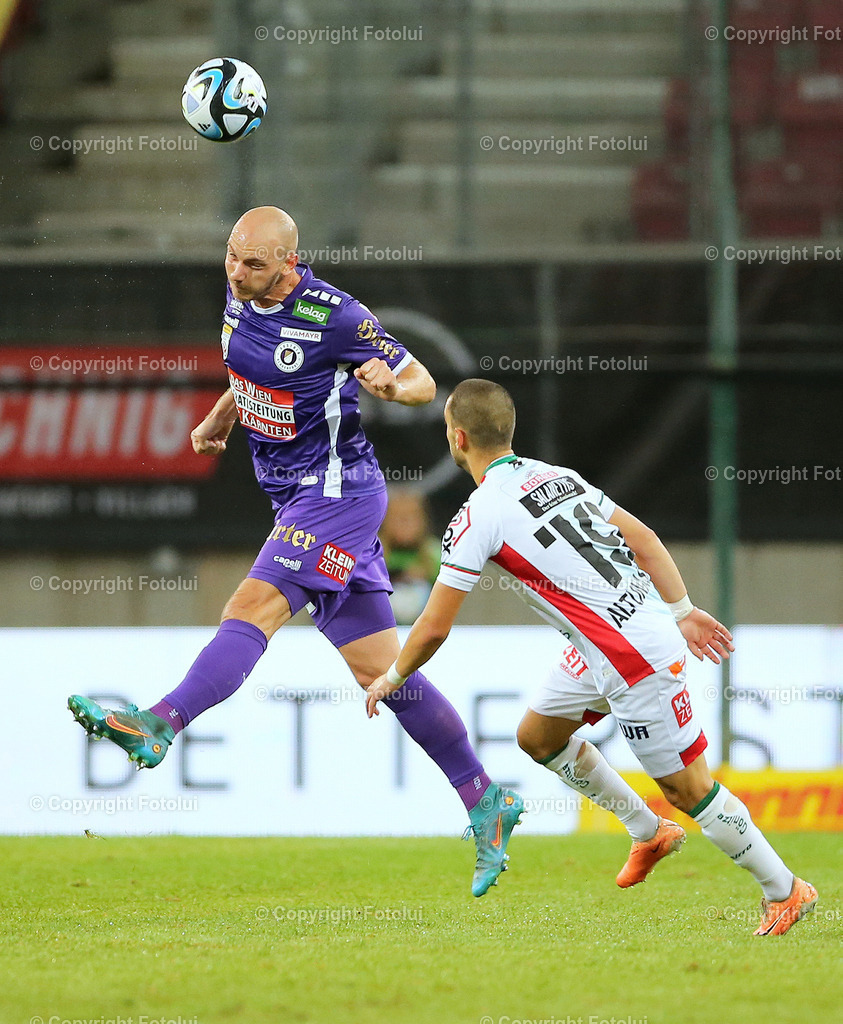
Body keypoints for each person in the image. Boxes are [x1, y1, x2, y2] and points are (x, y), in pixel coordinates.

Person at [68, 211, 523, 897]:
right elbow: (247, 370)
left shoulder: (336, 315)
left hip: (336, 497)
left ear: (288, 262)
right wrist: (220, 417)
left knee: (251, 605)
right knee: (382, 671)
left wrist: (391, 387)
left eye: (252, 264)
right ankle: (486, 799)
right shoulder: (238, 296)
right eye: (231, 257)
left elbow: (424, 382)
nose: (235, 271)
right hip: (295, 499)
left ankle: (158, 723)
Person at [366, 378, 818, 936]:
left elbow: (433, 628)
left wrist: (390, 676)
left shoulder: (476, 516)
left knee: (688, 789)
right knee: (538, 736)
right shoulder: (558, 476)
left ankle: (785, 890)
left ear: (457, 438)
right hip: (612, 638)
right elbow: (645, 537)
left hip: (629, 653)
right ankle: (647, 830)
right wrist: (683, 609)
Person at [379, 487, 441, 623]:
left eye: (411, 517)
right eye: (398, 517)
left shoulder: (435, 554)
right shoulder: (372, 553)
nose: (405, 523)